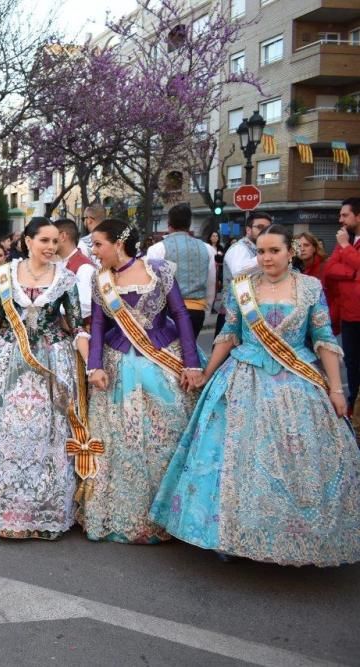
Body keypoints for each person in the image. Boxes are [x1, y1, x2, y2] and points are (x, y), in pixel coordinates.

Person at [151, 225, 360, 566]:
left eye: (274, 251)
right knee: (234, 457)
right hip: (243, 378)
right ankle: (232, 533)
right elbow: (229, 334)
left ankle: (294, 537)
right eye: (261, 251)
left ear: (289, 252)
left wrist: (336, 389)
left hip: (297, 381)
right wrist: (207, 372)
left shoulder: (310, 288)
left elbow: (323, 339)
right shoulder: (241, 287)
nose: (267, 258)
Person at [0, 218, 89, 539]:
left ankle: (36, 511)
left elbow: (78, 327)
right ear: (28, 241)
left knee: (44, 435)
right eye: (45, 240)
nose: (51, 247)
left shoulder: (66, 279)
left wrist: (90, 367)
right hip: (8, 361)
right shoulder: (6, 274)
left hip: (52, 363)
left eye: (56, 241)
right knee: (3, 428)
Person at [83, 219, 204, 544]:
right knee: (121, 443)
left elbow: (180, 315)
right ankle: (124, 517)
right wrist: (93, 366)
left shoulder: (159, 270)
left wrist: (191, 363)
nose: (94, 252)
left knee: (163, 438)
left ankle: (166, 516)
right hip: (117, 364)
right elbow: (96, 325)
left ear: (118, 243)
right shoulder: (101, 279)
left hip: (161, 359)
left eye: (97, 244)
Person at [144, 204, 216, 337]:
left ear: (169, 224)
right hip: (196, 310)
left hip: (168, 312)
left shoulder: (157, 249)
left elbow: (151, 286)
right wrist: (206, 310)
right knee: (191, 352)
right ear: (189, 224)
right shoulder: (207, 249)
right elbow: (211, 283)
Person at [326, 198, 360, 407]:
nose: (341, 220)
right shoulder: (346, 242)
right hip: (348, 316)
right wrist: (354, 273)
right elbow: (329, 270)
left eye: (345, 215)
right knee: (352, 364)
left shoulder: (345, 242)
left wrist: (346, 247)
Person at [217, 211, 271, 336]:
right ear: (248, 230)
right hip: (233, 312)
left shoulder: (258, 249)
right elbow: (238, 271)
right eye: (260, 227)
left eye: (268, 228)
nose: (265, 232)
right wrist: (267, 257)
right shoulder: (240, 248)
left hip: (253, 311)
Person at [54, 219, 96, 323]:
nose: (48, 243)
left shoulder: (84, 267)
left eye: (51, 238)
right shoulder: (60, 263)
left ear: (62, 236)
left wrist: (52, 309)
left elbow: (85, 305)